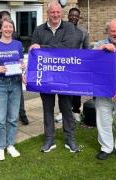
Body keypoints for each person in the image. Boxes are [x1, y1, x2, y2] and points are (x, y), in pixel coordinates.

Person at [29, 0, 79, 153]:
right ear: (48, 13)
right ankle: (49, 138)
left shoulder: (69, 28)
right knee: (47, 109)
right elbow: (34, 53)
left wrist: (43, 48)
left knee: (66, 108)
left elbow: (68, 47)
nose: (55, 15)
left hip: (64, 76)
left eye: (58, 12)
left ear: (61, 13)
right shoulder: (39, 30)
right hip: (46, 77)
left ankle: (69, 138)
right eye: (52, 12)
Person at [0, 18, 25, 161]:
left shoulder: (18, 44)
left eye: (11, 27)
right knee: (0, 119)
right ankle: (0, 147)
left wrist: (22, 68)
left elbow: (20, 61)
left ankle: (10, 145)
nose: (8, 29)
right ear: (0, 29)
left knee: (13, 118)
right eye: (6, 27)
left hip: (15, 83)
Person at [0, 11, 29, 125]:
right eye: (4, 19)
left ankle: (22, 115)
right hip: (1, 75)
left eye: (8, 18)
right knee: (3, 100)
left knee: (19, 97)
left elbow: (19, 54)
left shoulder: (15, 34)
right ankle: (5, 118)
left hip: (15, 74)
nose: (8, 27)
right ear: (0, 21)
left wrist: (21, 68)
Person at [55, 7, 89, 123]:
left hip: (76, 66)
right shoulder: (60, 29)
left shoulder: (83, 32)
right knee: (62, 89)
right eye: (71, 15)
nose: (73, 17)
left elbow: (86, 49)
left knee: (76, 90)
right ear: (68, 15)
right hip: (62, 65)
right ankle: (62, 111)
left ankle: (76, 111)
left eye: (76, 15)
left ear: (79, 17)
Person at [95, 18, 116, 160]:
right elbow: (89, 62)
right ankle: (106, 148)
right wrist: (101, 50)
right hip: (103, 91)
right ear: (108, 31)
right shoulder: (99, 44)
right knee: (103, 121)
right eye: (113, 31)